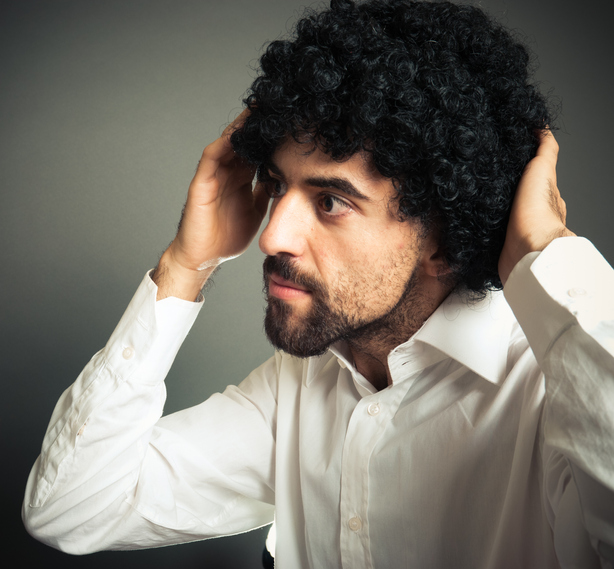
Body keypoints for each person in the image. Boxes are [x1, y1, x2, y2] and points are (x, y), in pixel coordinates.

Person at [23, 1, 614, 567]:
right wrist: (185, 264)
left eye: (331, 201)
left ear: (443, 240)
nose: (270, 235)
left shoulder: (547, 394)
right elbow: (71, 509)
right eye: (278, 185)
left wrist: (546, 254)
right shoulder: (301, 384)